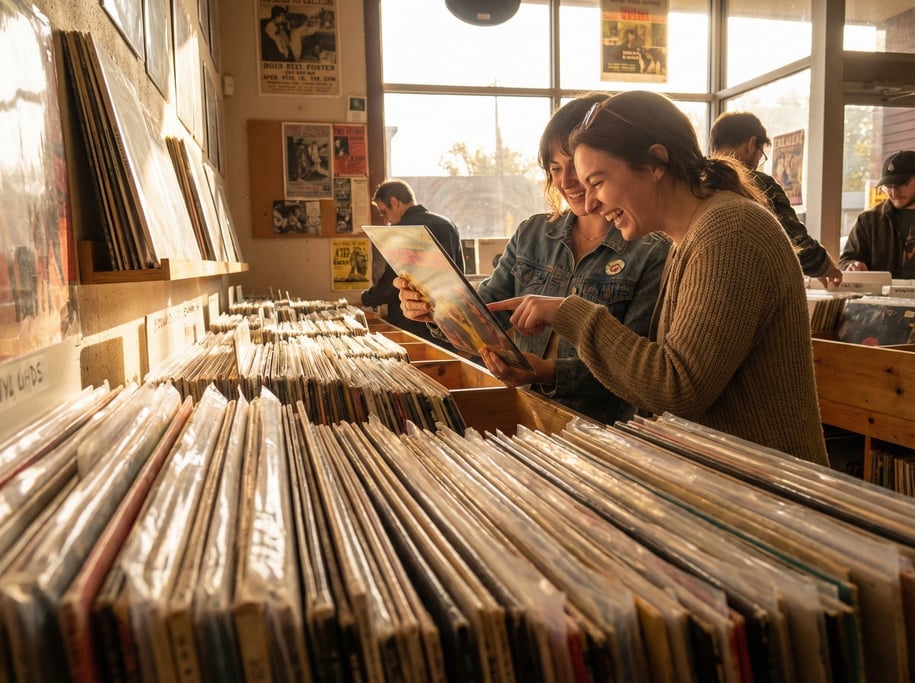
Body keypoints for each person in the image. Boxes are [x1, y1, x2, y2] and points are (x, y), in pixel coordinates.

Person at [484, 91, 829, 465]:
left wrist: (571, 314)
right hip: (730, 480)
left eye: (597, 181)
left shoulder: (730, 231)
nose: (592, 202)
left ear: (655, 162)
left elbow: (676, 387)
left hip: (772, 494)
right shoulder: (695, 233)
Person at [396, 94, 671, 424]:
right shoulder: (532, 233)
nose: (567, 182)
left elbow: (634, 369)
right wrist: (434, 308)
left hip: (600, 429)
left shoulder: (650, 249)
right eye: (555, 168)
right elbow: (484, 315)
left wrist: (546, 373)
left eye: (578, 168)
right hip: (524, 416)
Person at [709, 111, 842, 286]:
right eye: (761, 155)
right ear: (751, 144)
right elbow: (796, 241)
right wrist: (825, 267)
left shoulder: (695, 182)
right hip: (742, 286)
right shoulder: (757, 183)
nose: (758, 162)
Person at [361, 180, 464, 346]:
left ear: (394, 202)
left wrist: (366, 298)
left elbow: (392, 283)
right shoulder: (446, 224)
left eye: (384, 212)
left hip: (411, 324)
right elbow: (460, 274)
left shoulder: (401, 230)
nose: (386, 220)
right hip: (447, 324)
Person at [840, 150, 915, 278]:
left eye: (901, 185)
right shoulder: (867, 220)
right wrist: (851, 266)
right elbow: (847, 260)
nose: (893, 193)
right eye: (888, 186)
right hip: (880, 297)